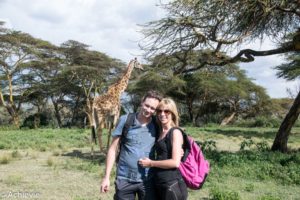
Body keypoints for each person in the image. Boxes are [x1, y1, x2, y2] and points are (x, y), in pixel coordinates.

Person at [100, 90, 163, 200]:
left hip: (148, 180)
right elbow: (112, 149)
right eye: (147, 105)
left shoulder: (157, 124)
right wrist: (106, 177)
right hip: (124, 179)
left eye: (152, 108)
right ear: (142, 102)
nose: (148, 110)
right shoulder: (126, 120)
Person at [139, 98, 188, 200]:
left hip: (172, 184)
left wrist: (151, 163)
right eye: (159, 111)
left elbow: (175, 163)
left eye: (166, 111)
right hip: (161, 183)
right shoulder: (159, 131)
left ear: (173, 113)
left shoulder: (175, 132)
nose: (162, 114)